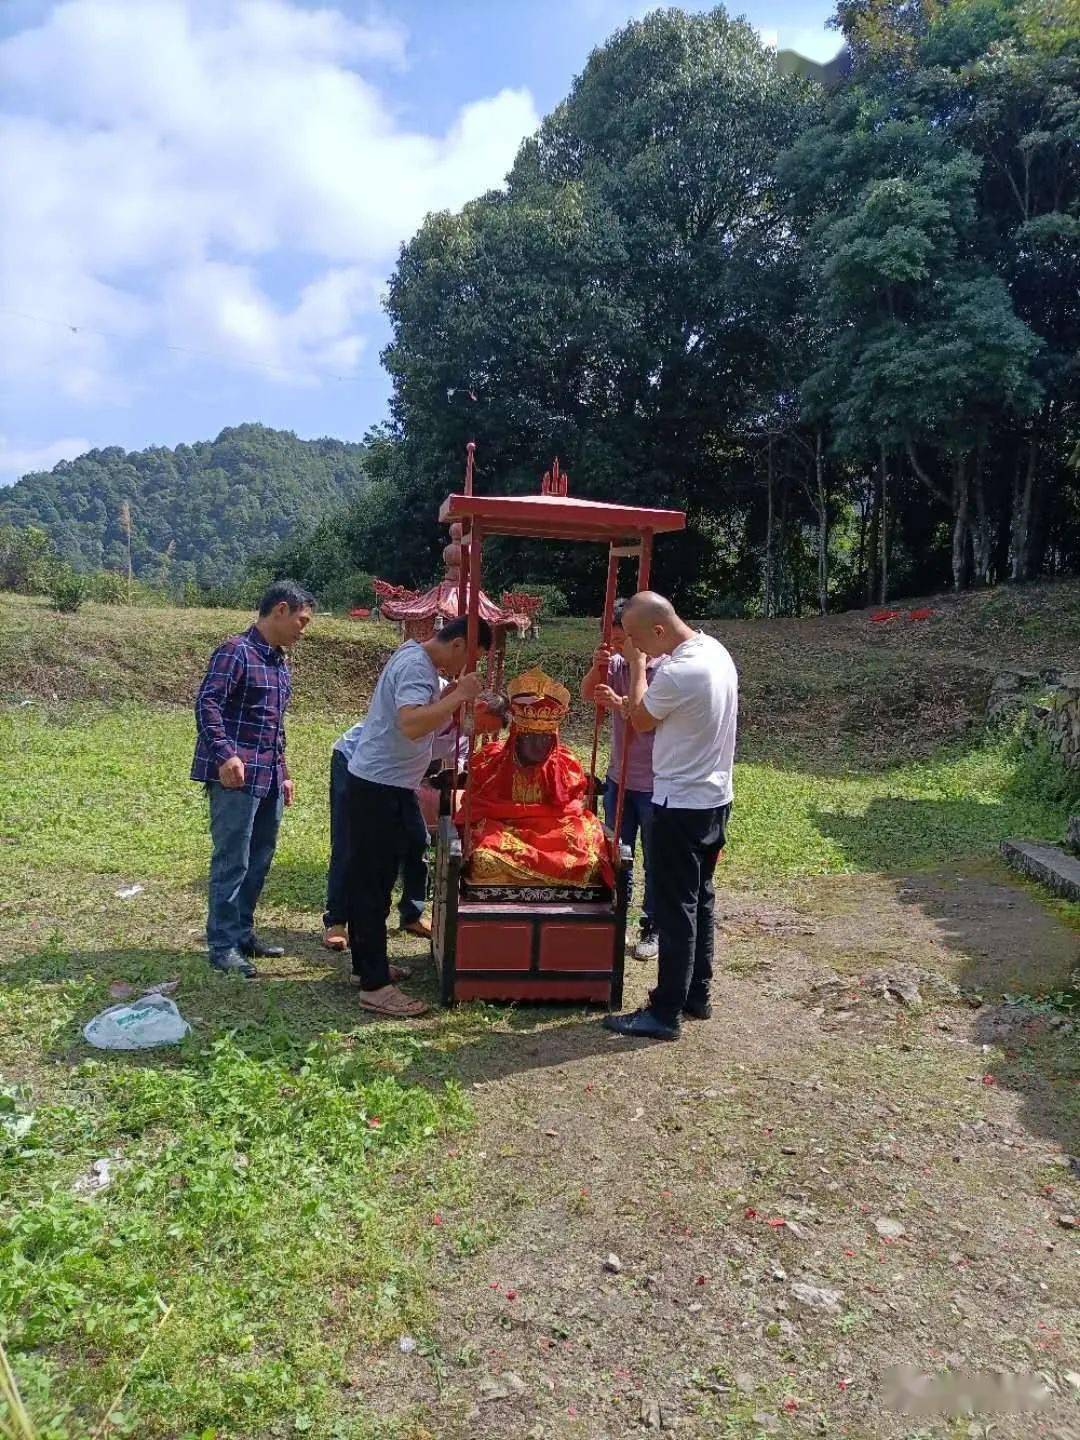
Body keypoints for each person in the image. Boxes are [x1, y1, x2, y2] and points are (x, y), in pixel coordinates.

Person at [601, 592, 737, 1041]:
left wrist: (637, 669)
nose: (636, 647)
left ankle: (664, 1012)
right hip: (715, 799)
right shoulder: (716, 650)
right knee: (700, 898)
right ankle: (697, 993)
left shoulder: (679, 670)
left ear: (658, 631)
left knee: (676, 908)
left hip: (679, 804)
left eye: (639, 640)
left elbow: (640, 719)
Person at [347, 616, 491, 1017]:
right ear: (459, 645)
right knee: (373, 884)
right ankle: (374, 986)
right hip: (379, 786)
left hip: (390, 785)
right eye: (470, 659)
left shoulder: (419, 662)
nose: (463, 671)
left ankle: (367, 965)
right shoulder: (416, 666)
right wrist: (457, 695)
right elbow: (411, 724)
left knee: (411, 847)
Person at [191, 580, 315, 977]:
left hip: (270, 776)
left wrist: (287, 773)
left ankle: (243, 933)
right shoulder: (236, 652)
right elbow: (208, 703)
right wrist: (225, 755)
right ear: (281, 610)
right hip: (236, 778)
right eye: (301, 620)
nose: (303, 629)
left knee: (259, 859)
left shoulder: (279, 662)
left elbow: (274, 726)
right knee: (232, 860)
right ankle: (222, 945)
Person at [322, 705, 462, 952]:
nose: (482, 732)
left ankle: (412, 913)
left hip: (399, 776)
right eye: (486, 724)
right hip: (355, 760)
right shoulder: (430, 695)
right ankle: (336, 920)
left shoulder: (463, 735)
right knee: (349, 841)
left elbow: (457, 771)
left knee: (417, 839)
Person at [466, 667, 614, 890]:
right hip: (507, 831)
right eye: (530, 737)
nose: (537, 746)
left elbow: (572, 810)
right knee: (484, 860)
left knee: (588, 858)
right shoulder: (492, 761)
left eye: (545, 739)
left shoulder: (566, 763)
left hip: (553, 831)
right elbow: (477, 810)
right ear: (516, 735)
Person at [582, 597, 662, 959]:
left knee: (655, 859)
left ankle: (652, 927)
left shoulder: (663, 670)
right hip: (619, 778)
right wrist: (596, 667)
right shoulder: (615, 664)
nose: (617, 647)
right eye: (613, 642)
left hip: (656, 782)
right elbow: (586, 694)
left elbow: (647, 722)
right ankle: (616, 916)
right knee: (616, 851)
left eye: (621, 640)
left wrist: (619, 702)